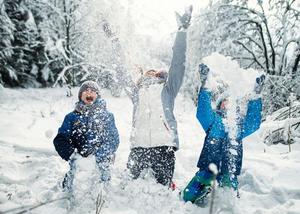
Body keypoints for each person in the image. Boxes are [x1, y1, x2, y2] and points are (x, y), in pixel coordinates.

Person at [102, 6, 193, 187]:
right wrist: (114, 40)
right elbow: (121, 70)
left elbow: (178, 64)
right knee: (130, 188)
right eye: (147, 72)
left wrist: (182, 32)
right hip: (138, 147)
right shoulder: (137, 92)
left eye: (154, 72)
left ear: (160, 75)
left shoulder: (168, 89)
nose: (150, 73)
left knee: (162, 189)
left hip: (163, 146)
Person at [183, 63, 265, 203]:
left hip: (229, 169)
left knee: (229, 198)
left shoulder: (239, 126)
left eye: (231, 102)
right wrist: (205, 86)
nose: (228, 104)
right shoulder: (214, 120)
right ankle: (201, 194)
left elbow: (253, 123)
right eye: (225, 102)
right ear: (220, 105)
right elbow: (202, 112)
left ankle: (223, 202)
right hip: (209, 165)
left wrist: (256, 96)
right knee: (188, 196)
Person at [53, 80, 120, 191]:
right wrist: (73, 156)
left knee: (101, 191)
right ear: (80, 96)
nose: (89, 93)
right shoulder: (71, 117)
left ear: (97, 95)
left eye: (93, 91)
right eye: (85, 91)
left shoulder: (107, 116)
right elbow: (60, 139)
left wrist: (98, 157)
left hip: (101, 164)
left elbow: (113, 140)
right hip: (79, 164)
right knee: (74, 189)